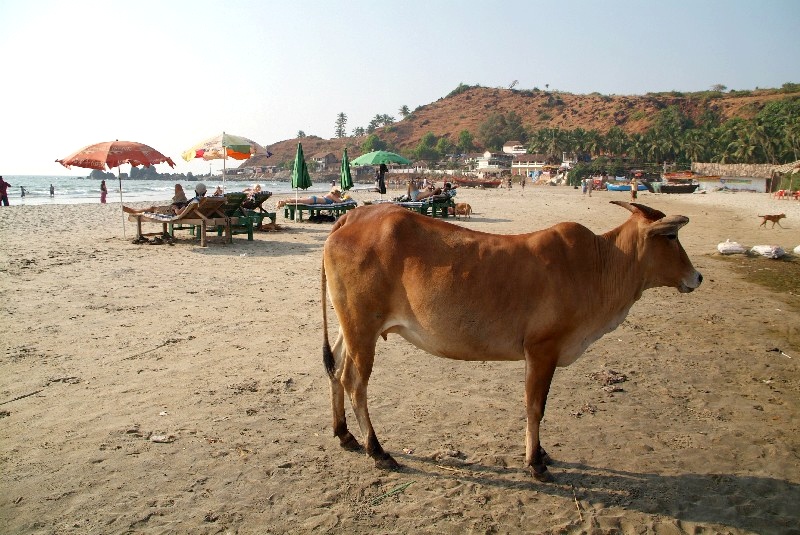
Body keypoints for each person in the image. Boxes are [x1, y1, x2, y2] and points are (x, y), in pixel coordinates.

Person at [123, 183, 204, 215]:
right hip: (183, 203)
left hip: (176, 209)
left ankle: (135, 211)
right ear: (206, 191)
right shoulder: (203, 200)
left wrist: (175, 208)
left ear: (195, 191)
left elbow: (179, 213)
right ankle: (135, 210)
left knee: (153, 208)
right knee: (178, 186)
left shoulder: (195, 201)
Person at [276, 187, 344, 208]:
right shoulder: (332, 196)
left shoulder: (330, 195)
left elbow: (337, 200)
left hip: (314, 199)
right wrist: (344, 198)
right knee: (299, 201)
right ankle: (283, 202)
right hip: (314, 200)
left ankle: (283, 201)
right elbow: (340, 201)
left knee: (299, 200)